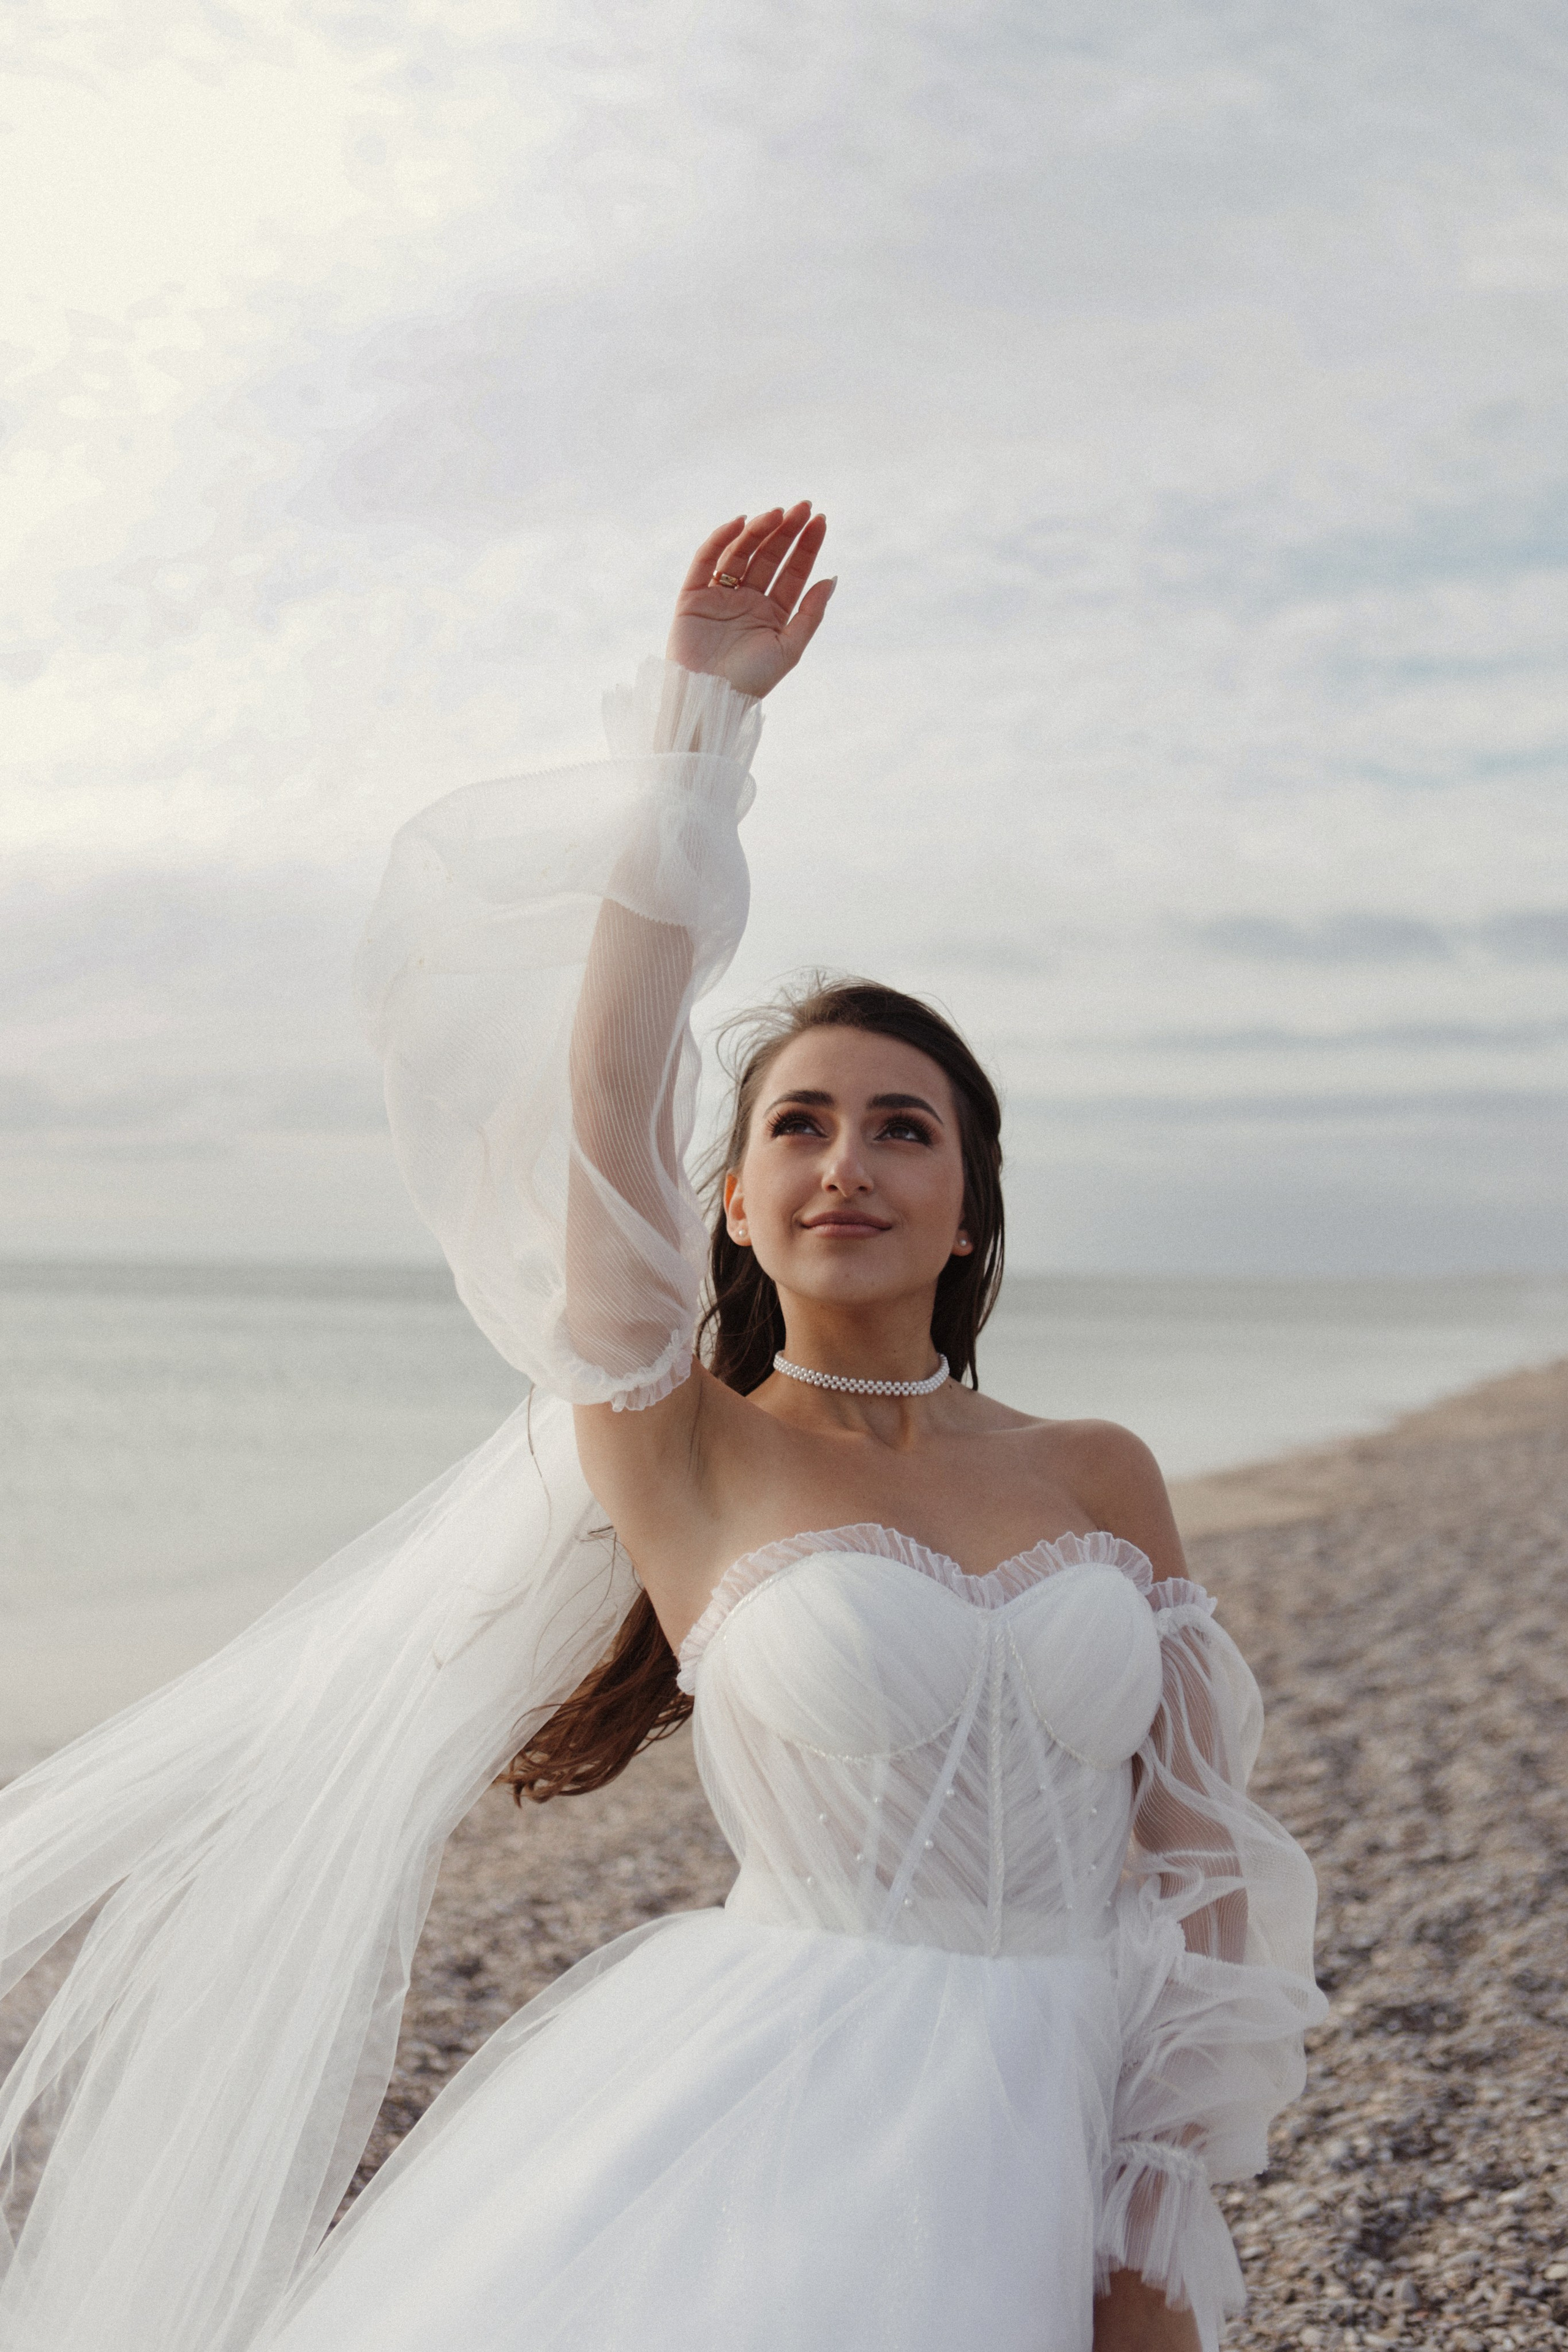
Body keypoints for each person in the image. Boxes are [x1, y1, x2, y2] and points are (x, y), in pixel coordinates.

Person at [0, 507, 1324, 2352]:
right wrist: (702, 731)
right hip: (782, 2109)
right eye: (797, 1126)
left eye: (904, 1129)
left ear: (970, 1210)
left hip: (1065, 2111)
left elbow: (1195, 1862)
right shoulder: (679, 1442)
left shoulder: (1099, 1474)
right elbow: (604, 1093)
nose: (847, 1162)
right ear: (731, 1207)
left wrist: (1156, 2204)